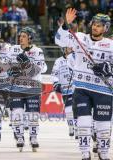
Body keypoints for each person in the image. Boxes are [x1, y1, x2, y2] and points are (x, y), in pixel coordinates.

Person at [55, 8, 113, 160]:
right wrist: (66, 24)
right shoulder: (80, 37)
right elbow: (59, 40)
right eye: (94, 24)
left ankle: (104, 153)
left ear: (105, 28)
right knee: (84, 123)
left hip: (104, 90)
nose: (95, 27)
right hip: (82, 89)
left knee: (103, 126)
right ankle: (85, 153)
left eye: (99, 25)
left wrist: (108, 68)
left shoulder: (111, 45)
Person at [6, 27, 47, 152]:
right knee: (17, 113)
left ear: (30, 38)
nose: (21, 38)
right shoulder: (13, 49)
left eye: (24, 36)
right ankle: (19, 137)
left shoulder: (37, 51)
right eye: (20, 36)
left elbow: (40, 70)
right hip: (17, 87)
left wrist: (27, 63)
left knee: (33, 115)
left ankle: (33, 137)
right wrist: (9, 71)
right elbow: (5, 65)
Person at [51, 47, 77, 138]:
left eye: (70, 46)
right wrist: (56, 83)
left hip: (76, 88)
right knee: (68, 110)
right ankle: (71, 126)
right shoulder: (59, 61)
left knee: (77, 109)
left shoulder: (76, 58)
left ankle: (77, 127)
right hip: (65, 89)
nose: (69, 48)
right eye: (67, 46)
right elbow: (54, 74)